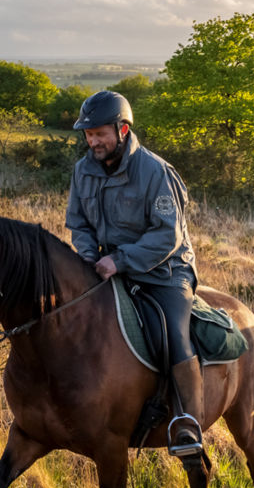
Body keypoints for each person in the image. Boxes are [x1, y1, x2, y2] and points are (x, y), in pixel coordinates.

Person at [66, 90, 201, 458]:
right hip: (105, 268)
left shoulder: (155, 171)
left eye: (100, 134)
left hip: (165, 271)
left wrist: (120, 260)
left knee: (173, 331)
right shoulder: (83, 171)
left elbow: (166, 234)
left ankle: (188, 423)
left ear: (122, 130)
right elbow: (77, 223)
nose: (93, 141)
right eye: (88, 134)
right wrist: (91, 255)